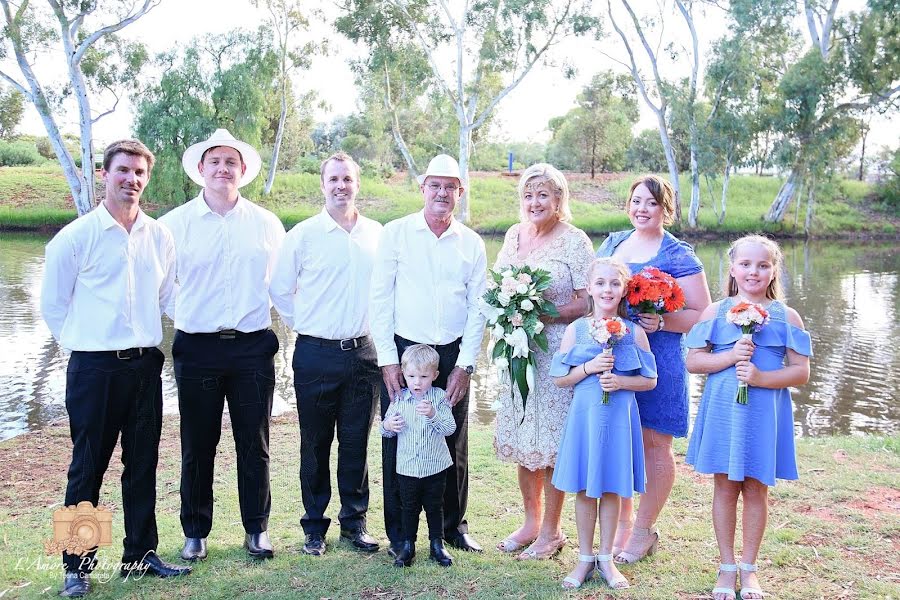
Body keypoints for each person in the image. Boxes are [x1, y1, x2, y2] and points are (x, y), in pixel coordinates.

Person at [41, 139, 191, 597]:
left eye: (140, 173)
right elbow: (53, 308)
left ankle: (140, 555)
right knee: (87, 467)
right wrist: (86, 348)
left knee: (143, 464)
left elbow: (170, 298)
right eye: (123, 170)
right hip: (94, 370)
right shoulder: (76, 237)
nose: (132, 180)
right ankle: (77, 565)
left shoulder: (159, 236)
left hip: (145, 366)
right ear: (104, 175)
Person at [159, 129, 285, 562]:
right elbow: (162, 287)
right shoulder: (173, 225)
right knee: (198, 443)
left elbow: (281, 284)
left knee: (255, 443)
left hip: (252, 347)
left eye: (231, 161)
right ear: (200, 169)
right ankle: (195, 531)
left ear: (243, 170)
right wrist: (190, 315)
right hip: (197, 349)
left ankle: (257, 530)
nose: (222, 168)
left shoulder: (266, 223)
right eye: (214, 161)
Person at [369, 153, 487, 556]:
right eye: (434, 185)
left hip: (452, 352)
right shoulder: (395, 233)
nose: (441, 193)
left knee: (452, 436)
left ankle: (453, 528)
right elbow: (380, 298)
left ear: (460, 191)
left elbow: (478, 308)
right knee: (398, 432)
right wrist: (387, 358)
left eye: (449, 186)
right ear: (422, 189)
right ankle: (400, 534)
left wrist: (465, 365)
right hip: (404, 350)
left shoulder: (471, 243)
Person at [269, 151, 382, 557]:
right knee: (315, 443)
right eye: (333, 179)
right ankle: (314, 527)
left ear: (357, 184)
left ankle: (354, 523)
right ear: (322, 184)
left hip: (363, 354)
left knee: (356, 443)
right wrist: (309, 321)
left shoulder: (376, 234)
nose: (340, 186)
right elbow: (280, 289)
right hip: (315, 353)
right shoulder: (302, 235)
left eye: (347, 179)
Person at [685, 236, 811, 600]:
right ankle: (726, 566)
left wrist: (761, 378)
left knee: (756, 487)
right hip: (725, 409)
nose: (753, 271)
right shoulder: (715, 312)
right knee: (725, 486)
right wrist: (729, 357)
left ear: (774, 270)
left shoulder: (787, 316)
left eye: (763, 265)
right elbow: (694, 362)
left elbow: (800, 371)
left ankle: (750, 568)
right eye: (745, 264)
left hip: (763, 412)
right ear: (732, 268)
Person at [595, 174, 711, 563]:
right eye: (636, 201)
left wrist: (662, 322)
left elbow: (701, 315)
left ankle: (644, 530)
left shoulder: (678, 254)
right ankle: (624, 528)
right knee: (623, 440)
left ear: (666, 209)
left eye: (652, 203)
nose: (642, 209)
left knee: (654, 442)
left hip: (660, 360)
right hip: (616, 358)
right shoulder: (612, 244)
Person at [492, 163, 594, 560]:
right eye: (529, 194)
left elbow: (589, 301)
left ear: (558, 199)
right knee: (524, 439)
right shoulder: (514, 235)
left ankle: (552, 532)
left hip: (556, 350)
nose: (535, 202)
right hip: (518, 351)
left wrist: (542, 311)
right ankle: (531, 522)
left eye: (544, 194)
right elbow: (499, 285)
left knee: (551, 442)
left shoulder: (575, 240)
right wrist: (510, 310)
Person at [550, 258, 657, 590]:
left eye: (614, 283)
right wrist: (590, 367)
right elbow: (559, 379)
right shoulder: (575, 329)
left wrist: (623, 383)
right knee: (585, 487)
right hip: (586, 415)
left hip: (619, 418)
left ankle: (607, 558)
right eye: (600, 283)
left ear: (623, 288)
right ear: (590, 287)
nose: (607, 289)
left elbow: (650, 380)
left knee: (611, 486)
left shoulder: (635, 332)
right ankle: (584, 558)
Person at [381, 344, 457, 568]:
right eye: (412, 376)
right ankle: (408, 545)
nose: (417, 382)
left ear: (435, 375)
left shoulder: (440, 398)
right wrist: (388, 425)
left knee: (435, 506)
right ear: (403, 374)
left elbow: (449, 428)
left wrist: (433, 415)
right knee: (409, 507)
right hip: (407, 467)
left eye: (423, 376)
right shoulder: (398, 400)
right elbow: (384, 430)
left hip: (435, 466)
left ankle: (437, 544)